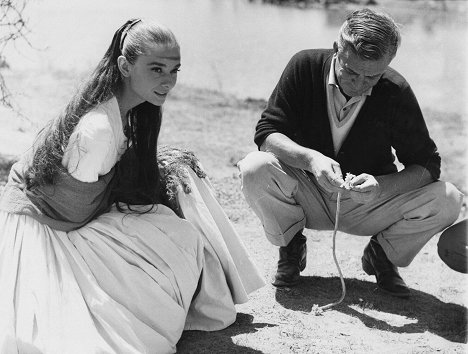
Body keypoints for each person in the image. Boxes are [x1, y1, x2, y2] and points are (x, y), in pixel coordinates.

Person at [0, 19, 264, 353]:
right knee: (169, 246)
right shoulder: (96, 130)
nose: (168, 81)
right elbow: (73, 209)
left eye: (174, 70)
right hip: (49, 231)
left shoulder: (123, 109)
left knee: (178, 211)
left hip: (69, 216)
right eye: (156, 69)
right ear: (125, 66)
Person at [238, 8, 463, 298]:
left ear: (388, 63)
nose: (359, 85)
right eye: (352, 71)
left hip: (368, 204)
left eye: (372, 77)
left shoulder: (395, 89)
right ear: (337, 50)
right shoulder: (304, 65)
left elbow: (427, 164)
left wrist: (381, 187)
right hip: (309, 195)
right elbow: (267, 134)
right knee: (255, 167)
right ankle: (291, 247)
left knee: (449, 199)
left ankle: (381, 256)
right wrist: (311, 159)